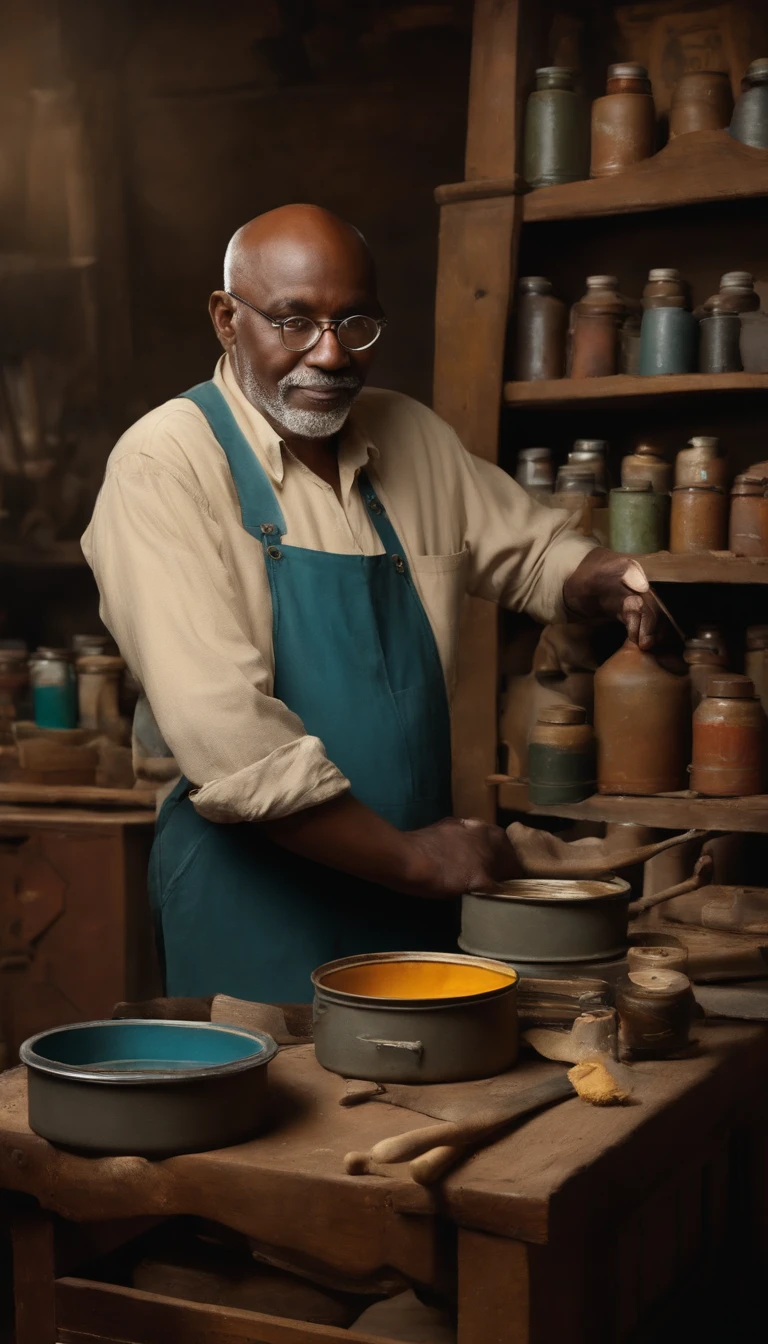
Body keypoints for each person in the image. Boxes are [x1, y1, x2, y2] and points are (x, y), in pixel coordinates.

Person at [82, 204, 655, 1002]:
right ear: (225, 318)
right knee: (283, 1122)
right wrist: (414, 860)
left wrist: (600, 576)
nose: (329, 353)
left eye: (354, 323)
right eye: (294, 322)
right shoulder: (164, 464)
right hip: (258, 904)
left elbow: (530, 551)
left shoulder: (410, 436)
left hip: (418, 898)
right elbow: (231, 739)